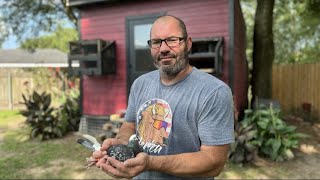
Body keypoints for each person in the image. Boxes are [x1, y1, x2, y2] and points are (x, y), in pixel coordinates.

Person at [91, 15, 234, 179]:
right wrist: (121, 144)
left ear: (188, 44)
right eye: (157, 42)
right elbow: (129, 126)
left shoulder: (213, 92)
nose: (164, 48)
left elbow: (213, 162)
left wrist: (150, 163)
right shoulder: (140, 84)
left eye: (172, 40)